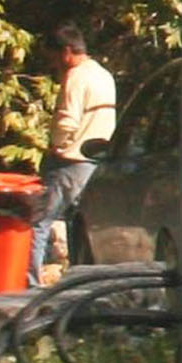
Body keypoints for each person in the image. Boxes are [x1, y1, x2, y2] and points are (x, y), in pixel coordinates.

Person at [36, 25, 117, 278]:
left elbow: (66, 121)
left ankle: (27, 284)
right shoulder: (103, 75)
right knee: (81, 224)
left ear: (66, 52)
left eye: (53, 57)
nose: (53, 64)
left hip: (69, 161)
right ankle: (81, 277)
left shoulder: (75, 77)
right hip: (94, 161)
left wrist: (56, 147)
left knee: (38, 223)